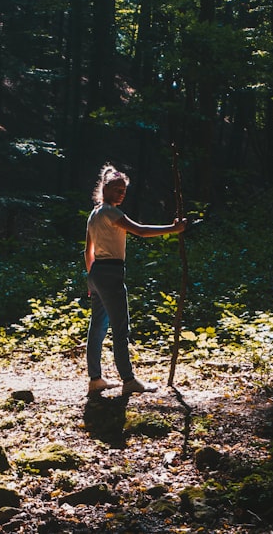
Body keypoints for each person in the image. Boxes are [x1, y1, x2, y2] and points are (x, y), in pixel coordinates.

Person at [84, 163, 187, 396]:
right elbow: (140, 231)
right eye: (117, 189)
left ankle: (95, 379)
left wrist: (92, 280)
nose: (121, 194)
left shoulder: (94, 214)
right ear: (106, 188)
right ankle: (128, 379)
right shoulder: (111, 212)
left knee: (97, 328)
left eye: (124, 190)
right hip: (110, 273)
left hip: (97, 273)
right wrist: (174, 229)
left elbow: (88, 251)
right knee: (120, 328)